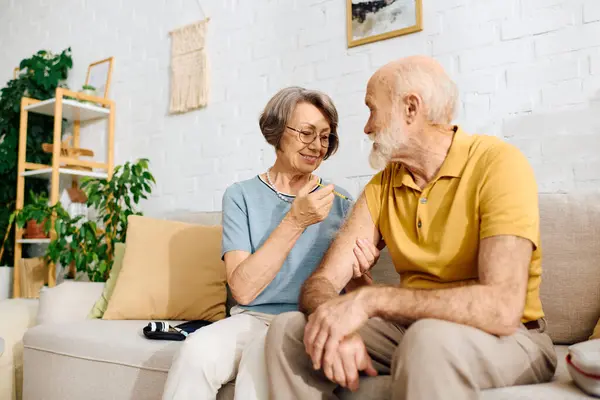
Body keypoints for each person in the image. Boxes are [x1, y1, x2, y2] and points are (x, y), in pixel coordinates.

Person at [265, 56, 558, 399]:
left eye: (372, 109)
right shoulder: (383, 186)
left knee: (429, 340)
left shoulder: (498, 164)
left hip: (507, 337)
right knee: (291, 331)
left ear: (411, 108)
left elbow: (501, 308)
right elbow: (322, 281)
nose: (366, 127)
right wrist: (334, 323)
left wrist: (372, 300)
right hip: (411, 330)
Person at [162, 86, 380, 400]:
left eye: (324, 136)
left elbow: (354, 295)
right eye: (306, 133)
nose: (316, 146)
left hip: (303, 322)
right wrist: (295, 221)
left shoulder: (341, 201)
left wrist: (360, 270)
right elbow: (243, 290)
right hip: (250, 318)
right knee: (195, 352)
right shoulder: (241, 196)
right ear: (277, 131)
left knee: (258, 361)